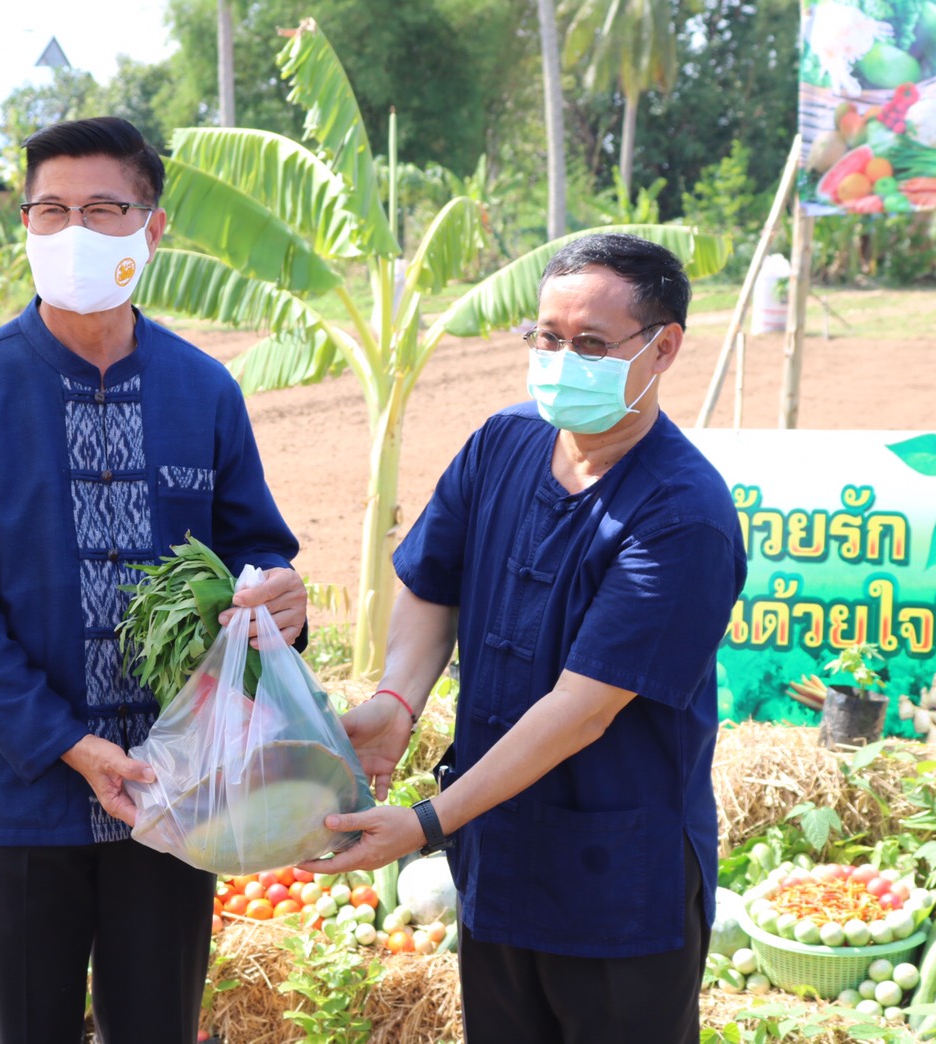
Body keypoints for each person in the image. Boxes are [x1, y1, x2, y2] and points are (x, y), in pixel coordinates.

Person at [0, 116, 307, 1044]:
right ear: (26, 226)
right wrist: (68, 743)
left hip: (172, 788)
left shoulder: (203, 389)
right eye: (51, 211)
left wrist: (281, 597)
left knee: (156, 1026)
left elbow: (257, 551)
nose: (73, 232)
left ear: (152, 229)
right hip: (22, 791)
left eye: (101, 209)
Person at [302, 232, 747, 1043]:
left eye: (588, 344)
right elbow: (431, 585)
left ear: (664, 348)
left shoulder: (683, 515)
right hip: (501, 858)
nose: (558, 360)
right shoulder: (503, 442)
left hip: (617, 883)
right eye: (545, 338)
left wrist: (430, 821)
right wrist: (398, 699)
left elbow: (583, 708)